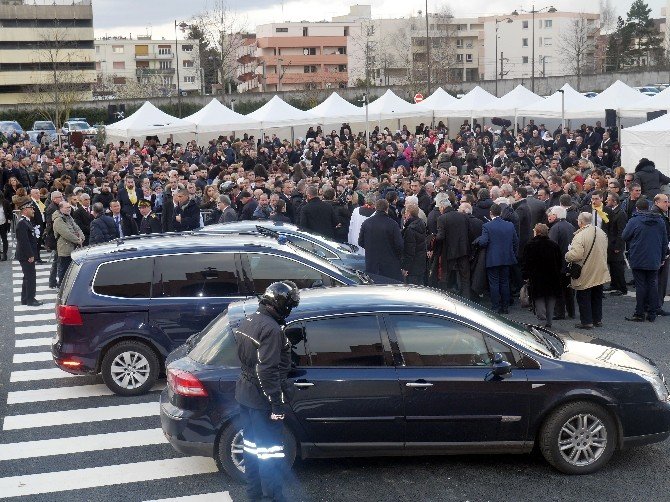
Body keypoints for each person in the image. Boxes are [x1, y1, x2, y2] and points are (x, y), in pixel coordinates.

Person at [234, 281, 300, 502]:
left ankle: (253, 496)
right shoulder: (271, 329)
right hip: (262, 402)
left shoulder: (250, 319)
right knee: (270, 454)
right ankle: (273, 498)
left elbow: (251, 360)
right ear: (281, 305)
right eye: (289, 305)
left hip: (245, 395)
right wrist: (276, 404)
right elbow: (266, 371)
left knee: (251, 451)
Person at [622, 198, 669, 322]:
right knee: (653, 284)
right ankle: (652, 313)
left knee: (641, 285)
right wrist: (662, 257)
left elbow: (625, 236)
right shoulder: (659, 221)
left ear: (637, 208)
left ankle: (639, 313)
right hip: (654, 257)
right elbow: (665, 241)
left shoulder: (634, 220)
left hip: (638, 257)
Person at [566, 212, 610, 330]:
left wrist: (567, 255)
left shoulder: (580, 235)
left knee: (583, 296)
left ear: (580, 222)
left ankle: (586, 322)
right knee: (597, 295)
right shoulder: (601, 232)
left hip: (585, 269)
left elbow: (576, 255)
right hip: (600, 268)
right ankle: (597, 319)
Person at [475, 203, 519, 314]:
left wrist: (478, 240)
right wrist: (512, 252)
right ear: (500, 213)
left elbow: (484, 241)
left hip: (492, 259)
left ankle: (495, 306)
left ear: (490, 213)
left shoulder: (487, 226)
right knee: (505, 282)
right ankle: (505, 306)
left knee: (494, 283)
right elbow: (515, 241)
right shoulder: (509, 225)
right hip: (507, 258)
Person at [522, 224, 563, 328]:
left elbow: (526, 263)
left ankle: (542, 318)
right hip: (552, 277)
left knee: (539, 298)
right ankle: (549, 320)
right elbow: (559, 262)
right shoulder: (554, 245)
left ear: (537, 232)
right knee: (551, 298)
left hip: (537, 278)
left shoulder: (530, 245)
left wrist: (525, 275)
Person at [358, 198, 404, 282]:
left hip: (372, 263)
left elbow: (360, 242)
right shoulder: (393, 224)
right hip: (389, 264)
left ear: (375, 208)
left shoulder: (366, 223)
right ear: (387, 209)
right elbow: (399, 245)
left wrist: (371, 248)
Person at [434, 198, 471, 297]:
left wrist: (433, 237)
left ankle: (444, 298)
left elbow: (441, 236)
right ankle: (467, 300)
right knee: (465, 277)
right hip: (463, 250)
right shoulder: (463, 216)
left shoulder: (442, 218)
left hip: (448, 252)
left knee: (445, 276)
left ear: (442, 207)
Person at [547, 206, 576, 320]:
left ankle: (559, 312)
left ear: (557, 215)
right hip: (569, 262)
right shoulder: (571, 226)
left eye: (552, 214)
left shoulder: (555, 228)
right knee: (569, 289)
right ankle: (571, 311)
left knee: (558, 289)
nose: (549, 215)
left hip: (558, 264)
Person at [15, 198, 42, 306]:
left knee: (27, 277)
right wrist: (30, 255)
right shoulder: (22, 223)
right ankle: (31, 299)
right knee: (30, 277)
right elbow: (24, 241)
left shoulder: (26, 221)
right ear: (25, 210)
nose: (33, 210)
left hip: (26, 254)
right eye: (31, 208)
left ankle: (25, 299)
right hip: (26, 255)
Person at [52, 200, 84, 286]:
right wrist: (78, 240)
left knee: (72, 268)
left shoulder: (69, 217)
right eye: (66, 207)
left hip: (73, 247)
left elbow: (77, 228)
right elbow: (66, 233)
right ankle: (61, 286)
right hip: (64, 248)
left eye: (69, 207)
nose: (69, 209)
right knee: (64, 268)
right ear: (61, 208)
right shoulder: (58, 220)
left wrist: (82, 237)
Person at [604, 192, 628, 296]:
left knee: (618, 267)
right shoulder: (612, 211)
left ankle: (622, 288)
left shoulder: (621, 213)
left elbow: (621, 232)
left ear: (614, 201)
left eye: (608, 200)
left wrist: (618, 246)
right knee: (612, 265)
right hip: (611, 243)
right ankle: (614, 284)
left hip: (616, 245)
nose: (606, 201)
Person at [651, 193, 670, 316]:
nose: (667, 204)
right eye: (665, 202)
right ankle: (656, 306)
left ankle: (655, 305)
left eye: (668, 201)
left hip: (659, 251)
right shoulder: (658, 216)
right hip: (661, 252)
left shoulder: (660, 214)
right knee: (659, 280)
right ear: (657, 202)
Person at [401, 204, 427, 285]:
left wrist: (406, 267)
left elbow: (409, 250)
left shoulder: (410, 229)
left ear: (408, 214)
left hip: (412, 266)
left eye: (405, 213)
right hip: (420, 263)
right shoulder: (421, 223)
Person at [0, 192, 10, 261]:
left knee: (4, 239)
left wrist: (9, 220)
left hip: (3, 223)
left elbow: (10, 212)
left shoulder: (5, 202)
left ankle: (4, 254)